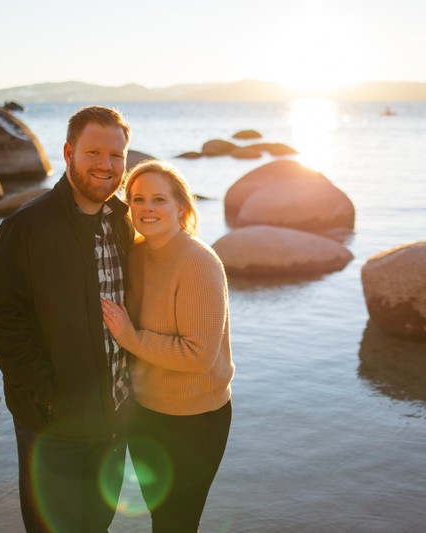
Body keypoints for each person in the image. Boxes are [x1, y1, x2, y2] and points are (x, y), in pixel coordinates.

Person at [0, 105, 134, 532]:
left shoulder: (124, 224)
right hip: (52, 426)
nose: (106, 165)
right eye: (94, 153)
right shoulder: (24, 228)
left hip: (113, 421)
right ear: (68, 152)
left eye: (116, 155)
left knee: (97, 526)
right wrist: (49, 395)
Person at [101, 160, 235, 532]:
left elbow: (199, 356)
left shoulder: (198, 262)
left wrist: (129, 336)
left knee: (177, 522)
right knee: (161, 518)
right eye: (138, 199)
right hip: (144, 412)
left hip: (195, 420)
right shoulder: (135, 255)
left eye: (159, 199)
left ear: (182, 207)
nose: (147, 208)